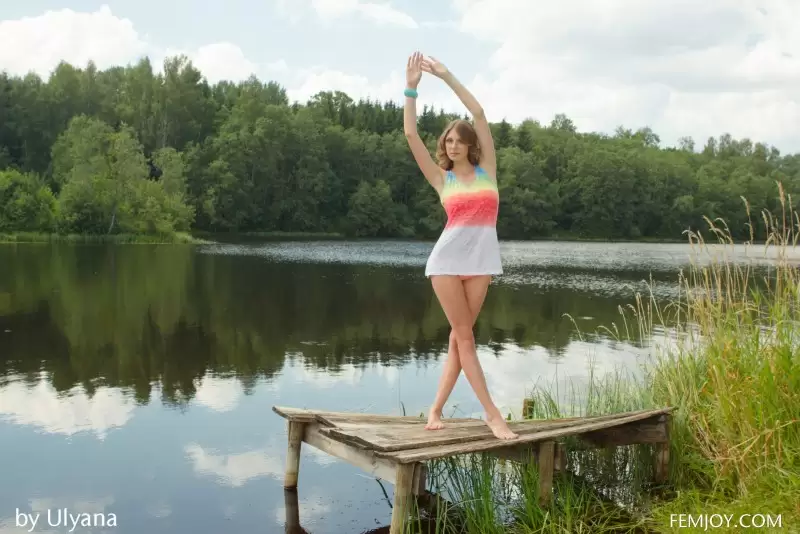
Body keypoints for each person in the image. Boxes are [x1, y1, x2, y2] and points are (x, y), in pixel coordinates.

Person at [403, 51, 518, 441]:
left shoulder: (489, 173)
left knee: (458, 338)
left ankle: (435, 409)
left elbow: (480, 114)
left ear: (470, 145)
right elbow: (411, 136)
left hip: (482, 262)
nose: (452, 146)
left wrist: (446, 75)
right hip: (447, 263)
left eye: (458, 141)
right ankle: (492, 414)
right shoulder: (442, 179)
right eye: (448, 141)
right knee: (465, 338)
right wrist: (411, 89)